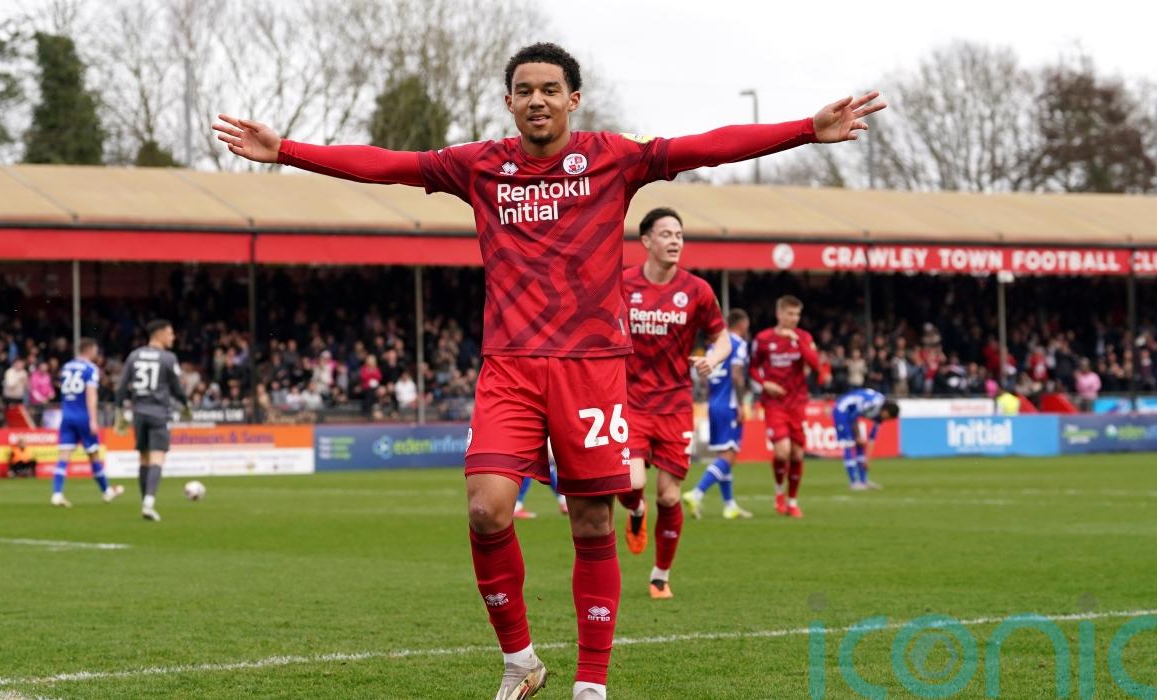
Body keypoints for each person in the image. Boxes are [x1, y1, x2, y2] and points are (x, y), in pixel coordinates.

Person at [214, 41, 883, 700]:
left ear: (574, 99)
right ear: (509, 102)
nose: (537, 100)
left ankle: (591, 684)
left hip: (592, 370)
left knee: (592, 523)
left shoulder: (613, 157)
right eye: (525, 91)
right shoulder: (479, 165)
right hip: (509, 367)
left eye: (550, 89)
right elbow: (390, 165)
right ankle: (520, 662)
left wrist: (804, 129)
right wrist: (287, 150)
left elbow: (707, 146)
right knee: (486, 509)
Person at [615, 207, 731, 600]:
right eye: (666, 234)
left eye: (679, 235)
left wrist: (713, 359)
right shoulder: (622, 283)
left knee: (668, 495)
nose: (675, 241)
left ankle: (660, 576)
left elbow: (722, 338)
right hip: (629, 402)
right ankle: (635, 511)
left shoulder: (697, 290)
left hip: (676, 404)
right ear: (646, 240)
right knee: (632, 484)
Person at [750, 295, 822, 519]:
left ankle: (792, 501)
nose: (794, 318)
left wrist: (799, 342)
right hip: (774, 403)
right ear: (779, 313)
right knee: (782, 451)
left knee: (797, 454)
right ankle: (779, 491)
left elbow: (816, 365)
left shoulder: (804, 337)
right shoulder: (763, 338)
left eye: (797, 314)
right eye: (790, 314)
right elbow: (752, 368)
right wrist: (765, 384)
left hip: (797, 403)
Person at [116, 320, 191, 522]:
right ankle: (149, 503)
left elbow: (121, 386)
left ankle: (145, 502)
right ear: (159, 334)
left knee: (143, 459)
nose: (173, 337)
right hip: (159, 413)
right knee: (157, 458)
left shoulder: (134, 355)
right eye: (170, 333)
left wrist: (119, 410)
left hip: (139, 413)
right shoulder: (168, 358)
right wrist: (185, 405)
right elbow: (176, 388)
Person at [684, 308, 752, 520]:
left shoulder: (715, 346)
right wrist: (741, 404)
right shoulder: (738, 344)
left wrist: (710, 398)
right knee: (729, 456)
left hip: (713, 403)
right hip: (729, 405)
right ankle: (696, 493)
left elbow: (704, 376)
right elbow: (737, 375)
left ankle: (729, 505)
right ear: (742, 324)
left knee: (724, 455)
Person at [51, 338, 124, 507]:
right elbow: (91, 395)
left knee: (63, 456)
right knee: (93, 454)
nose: (97, 353)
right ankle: (106, 491)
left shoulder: (67, 367)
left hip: (67, 415)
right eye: (96, 350)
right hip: (83, 416)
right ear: (89, 349)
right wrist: (93, 420)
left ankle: (57, 493)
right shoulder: (91, 369)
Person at [832, 388, 898, 490]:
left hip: (851, 413)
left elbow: (872, 436)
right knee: (849, 444)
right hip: (842, 410)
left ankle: (863, 481)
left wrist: (868, 459)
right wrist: (858, 435)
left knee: (860, 445)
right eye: (888, 417)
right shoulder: (871, 404)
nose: (886, 420)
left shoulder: (880, 411)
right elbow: (853, 416)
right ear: (886, 411)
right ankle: (854, 483)